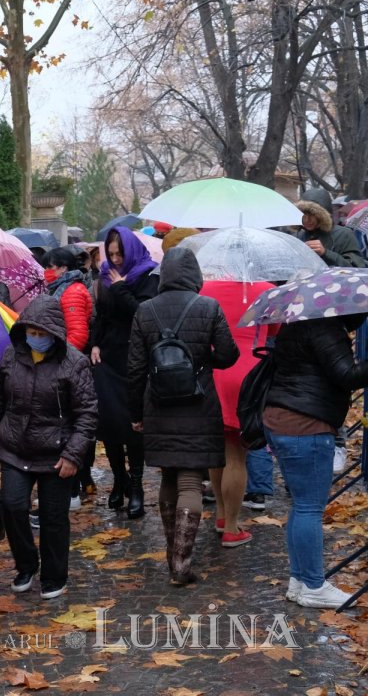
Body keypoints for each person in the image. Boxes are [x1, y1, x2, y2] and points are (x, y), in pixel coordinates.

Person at [127, 248, 239, 586]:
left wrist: (136, 413)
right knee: (191, 478)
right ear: (195, 275)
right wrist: (203, 364)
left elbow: (134, 369)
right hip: (198, 402)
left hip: (157, 404)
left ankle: (172, 555)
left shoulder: (144, 310)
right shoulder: (208, 307)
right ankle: (181, 564)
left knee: (168, 477)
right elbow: (230, 355)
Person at [0, 295, 97, 600]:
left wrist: (73, 455)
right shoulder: (11, 357)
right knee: (12, 505)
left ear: (55, 333)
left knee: (53, 517)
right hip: (15, 449)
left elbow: (86, 414)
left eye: (42, 333)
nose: (36, 338)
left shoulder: (74, 363)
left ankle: (54, 575)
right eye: (31, 332)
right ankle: (26, 564)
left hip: (56, 455)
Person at [262, 313, 368, 608]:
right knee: (310, 507)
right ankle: (313, 585)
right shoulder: (325, 328)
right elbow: (347, 375)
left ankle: (300, 580)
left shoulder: (297, 322)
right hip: (306, 425)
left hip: (281, 419)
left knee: (301, 505)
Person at [87, 226, 160, 519]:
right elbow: (102, 315)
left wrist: (121, 287)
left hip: (135, 356)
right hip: (107, 356)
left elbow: (143, 314)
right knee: (109, 423)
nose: (115, 260)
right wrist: (93, 343)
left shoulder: (147, 275)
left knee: (133, 424)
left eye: (120, 254)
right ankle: (119, 479)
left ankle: (137, 486)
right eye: (111, 254)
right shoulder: (105, 274)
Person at [198, 280, 276, 548]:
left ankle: (221, 514)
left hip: (214, 371)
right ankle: (231, 526)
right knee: (236, 455)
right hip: (249, 375)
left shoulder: (206, 288)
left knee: (219, 449)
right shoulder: (265, 289)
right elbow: (275, 328)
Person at [42, 247, 96, 506]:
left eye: (50, 267)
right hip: (63, 365)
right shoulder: (60, 289)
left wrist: (58, 364)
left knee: (69, 428)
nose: (47, 272)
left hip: (67, 369)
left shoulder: (72, 291)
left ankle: (71, 491)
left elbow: (77, 335)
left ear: (62, 267)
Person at [294, 188, 367, 268]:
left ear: (323, 215)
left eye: (312, 214)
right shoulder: (296, 237)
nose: (307, 220)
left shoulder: (344, 234)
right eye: (303, 215)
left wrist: (325, 253)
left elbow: (357, 267)